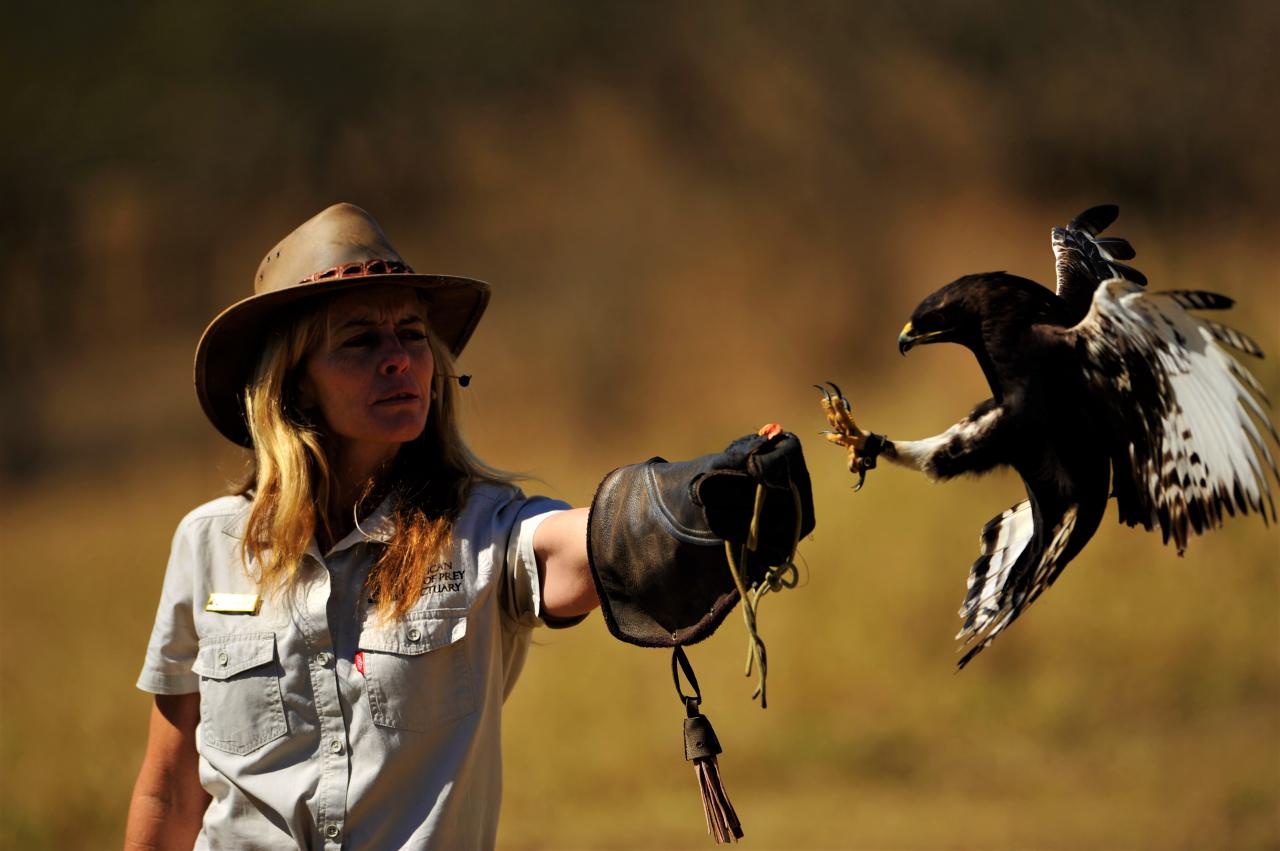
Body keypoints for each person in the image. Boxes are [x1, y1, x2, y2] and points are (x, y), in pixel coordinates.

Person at [125, 203, 813, 850]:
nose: (398, 358)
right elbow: (170, 788)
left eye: (413, 335)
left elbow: (579, 547)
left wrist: (692, 505)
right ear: (295, 382)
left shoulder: (481, 525)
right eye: (360, 339)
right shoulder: (208, 544)